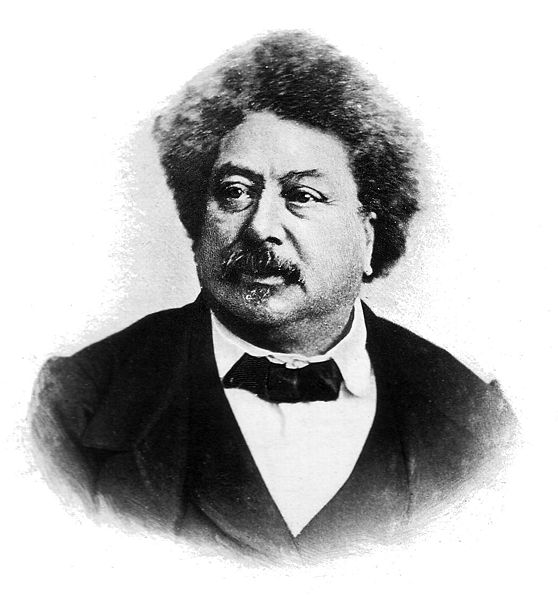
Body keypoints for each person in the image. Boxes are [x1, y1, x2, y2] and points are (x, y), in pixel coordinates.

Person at [30, 31, 518, 564]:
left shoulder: (473, 419)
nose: (261, 227)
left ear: (368, 237)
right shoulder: (78, 404)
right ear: (198, 222)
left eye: (302, 195)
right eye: (234, 192)